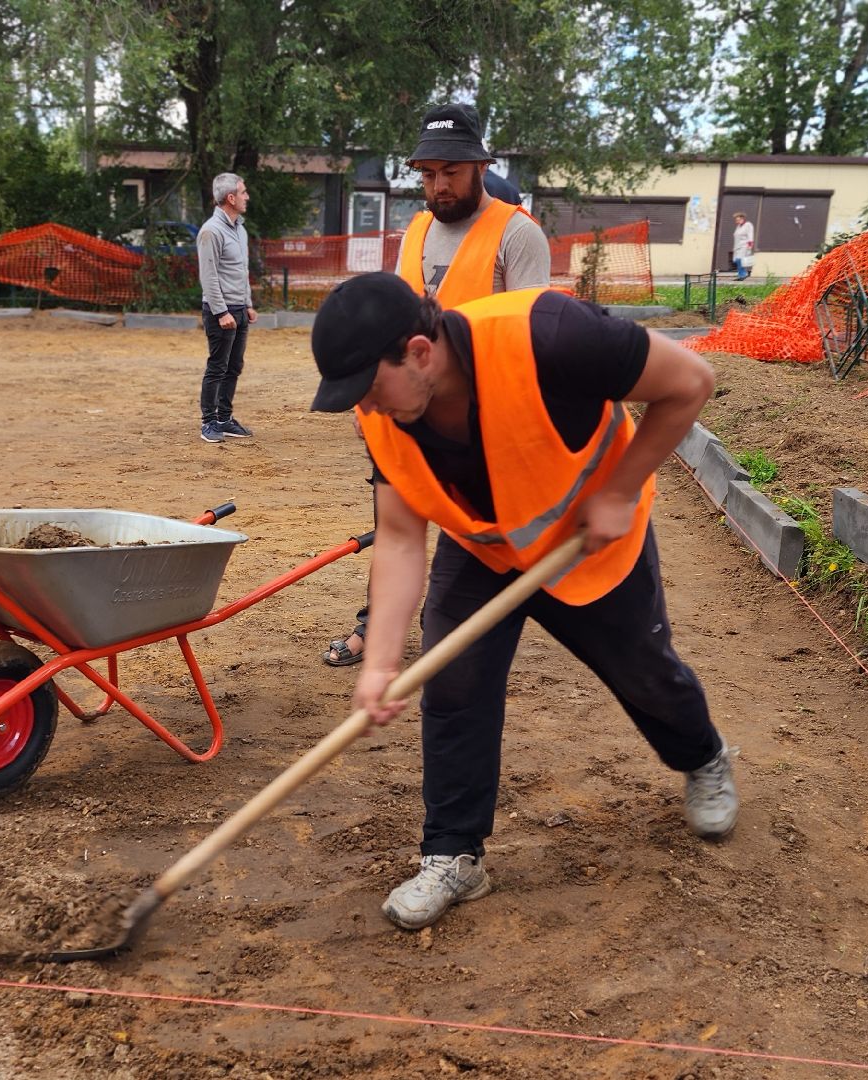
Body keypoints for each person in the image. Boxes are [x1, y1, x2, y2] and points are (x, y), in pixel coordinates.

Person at [307, 272, 737, 931]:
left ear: (420, 351)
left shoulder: (549, 336)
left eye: (369, 389)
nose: (366, 409)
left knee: (646, 675)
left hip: (587, 546)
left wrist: (621, 490)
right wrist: (381, 662)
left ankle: (703, 756)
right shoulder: (387, 415)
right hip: (484, 552)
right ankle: (453, 853)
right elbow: (398, 538)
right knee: (454, 684)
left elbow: (690, 382)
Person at [321, 102, 551, 669]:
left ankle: (445, 624)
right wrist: (367, 399)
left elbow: (530, 338)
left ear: (480, 166)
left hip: (477, 421)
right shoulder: (419, 230)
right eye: (428, 174)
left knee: (463, 529)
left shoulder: (518, 236)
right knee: (394, 524)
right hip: (405, 406)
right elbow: (395, 322)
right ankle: (376, 624)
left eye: (450, 172)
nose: (439, 186)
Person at [196, 172, 256, 444]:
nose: (247, 197)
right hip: (221, 312)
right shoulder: (211, 231)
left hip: (239, 309)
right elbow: (208, 277)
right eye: (243, 192)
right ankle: (209, 422)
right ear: (230, 198)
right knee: (217, 367)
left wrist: (248, 305)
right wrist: (221, 313)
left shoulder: (239, 229)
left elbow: (241, 271)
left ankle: (224, 418)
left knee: (234, 366)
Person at [732, 211, 756, 281]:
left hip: (744, 246)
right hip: (738, 247)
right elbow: (736, 237)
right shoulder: (738, 226)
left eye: (738, 220)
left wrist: (749, 247)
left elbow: (750, 235)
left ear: (742, 218)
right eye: (736, 220)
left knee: (740, 260)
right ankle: (741, 274)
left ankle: (743, 274)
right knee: (737, 261)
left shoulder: (748, 225)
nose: (737, 221)